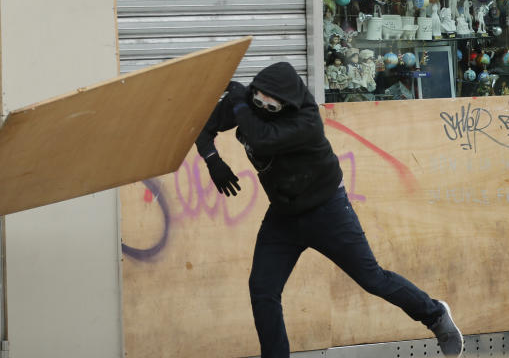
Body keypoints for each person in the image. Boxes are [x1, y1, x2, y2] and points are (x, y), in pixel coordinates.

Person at [194, 61, 464, 358]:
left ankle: (435, 315)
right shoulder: (248, 102)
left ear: (286, 105)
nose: (259, 109)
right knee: (262, 290)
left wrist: (239, 102)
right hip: (283, 215)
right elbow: (201, 129)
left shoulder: (306, 120)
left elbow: (263, 139)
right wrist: (213, 161)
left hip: (327, 210)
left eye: (270, 109)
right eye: (256, 103)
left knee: (372, 278)